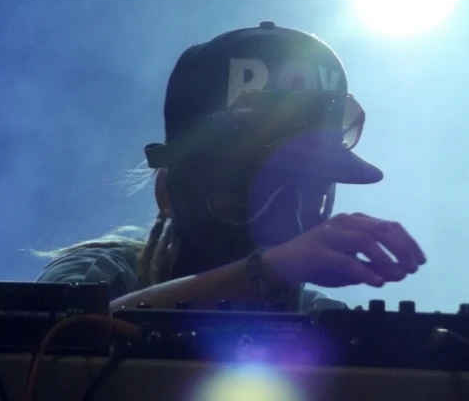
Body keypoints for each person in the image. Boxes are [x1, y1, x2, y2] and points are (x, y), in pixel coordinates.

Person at [36, 21, 426, 313]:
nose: (284, 235)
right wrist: (264, 273)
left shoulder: (321, 321)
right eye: (240, 204)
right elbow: (44, 347)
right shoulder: (103, 273)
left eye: (308, 202)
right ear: (167, 191)